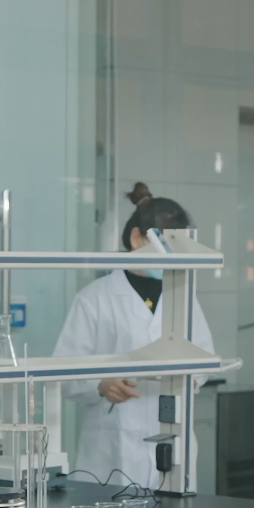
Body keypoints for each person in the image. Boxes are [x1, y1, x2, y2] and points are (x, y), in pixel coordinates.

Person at [52, 183, 215, 489]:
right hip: (113, 446)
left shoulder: (182, 295)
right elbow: (62, 373)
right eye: (165, 245)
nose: (171, 255)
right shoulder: (95, 298)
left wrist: (186, 375)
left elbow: (204, 360)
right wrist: (101, 384)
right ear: (137, 237)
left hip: (173, 441)